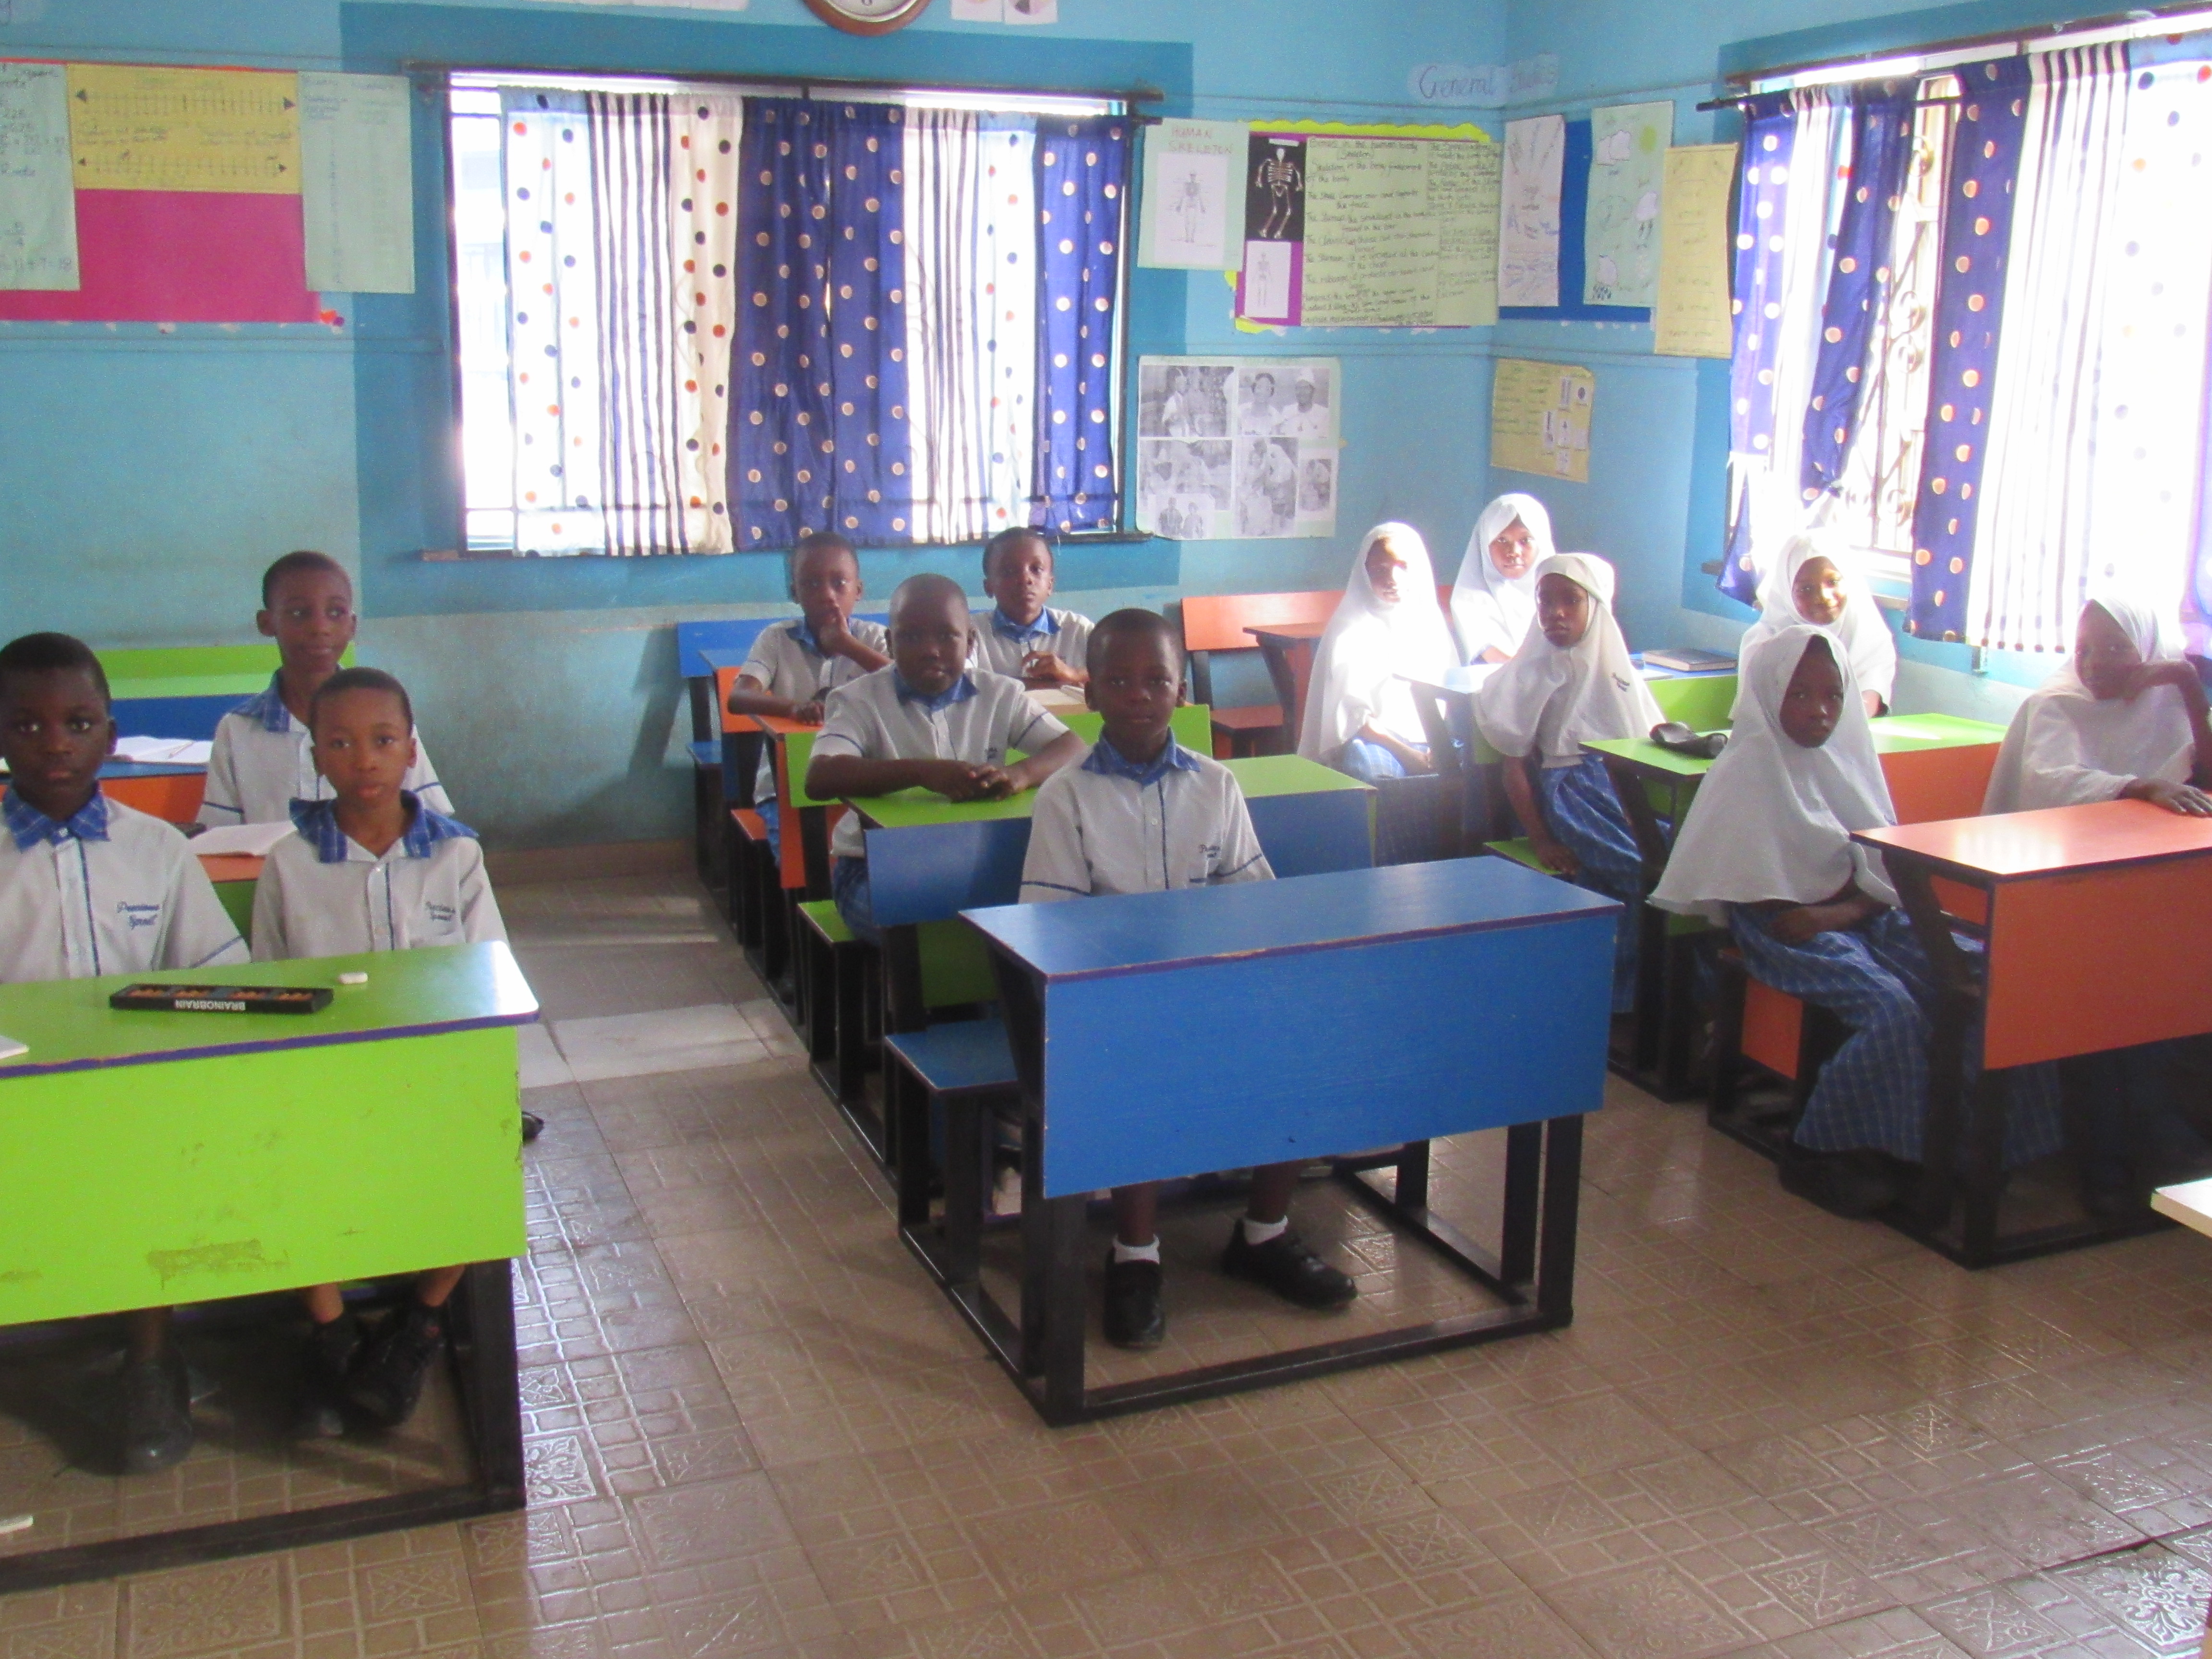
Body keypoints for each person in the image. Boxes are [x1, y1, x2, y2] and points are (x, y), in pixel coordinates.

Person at [1020, 611, 1358, 1347]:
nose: (1138, 695)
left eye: (1156, 680)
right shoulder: (1066, 797)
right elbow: (1050, 933)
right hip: (1109, 999)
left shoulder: (1216, 784)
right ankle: (1135, 1253)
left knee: (1306, 1046)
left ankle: (1263, 1233)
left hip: (1210, 987)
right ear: (1092, 693)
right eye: (1118, 680)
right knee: (1145, 1059)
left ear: (1181, 691)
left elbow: (1254, 899)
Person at [1652, 627, 2060, 1216]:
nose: (1820, 712)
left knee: (1985, 976)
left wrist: (1847, 910)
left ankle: (1978, 1144)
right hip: (1782, 926)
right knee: (1891, 1009)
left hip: (1858, 913)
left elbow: (1884, 875)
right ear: (1769, 693)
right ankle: (1824, 1148)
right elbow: (1766, 900)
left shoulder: (1848, 757)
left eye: (1832, 696)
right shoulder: (1748, 769)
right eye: (1800, 695)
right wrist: (1835, 914)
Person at [0, 632, 249, 1474]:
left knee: (143, 1161)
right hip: (16, 1103)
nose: (55, 743)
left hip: (138, 1101)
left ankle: (152, 1358)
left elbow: (219, 980)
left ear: (110, 735)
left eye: (76, 722)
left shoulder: (158, 850)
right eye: (26, 725)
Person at [249, 667, 508, 1437]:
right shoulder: (288, 866)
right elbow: (268, 988)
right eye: (340, 742)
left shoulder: (456, 857)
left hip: (432, 1071)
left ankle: (421, 1322)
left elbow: (487, 972)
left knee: (483, 1159)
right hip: (324, 1074)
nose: (363, 758)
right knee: (285, 1169)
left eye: (383, 740)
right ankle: (330, 1328)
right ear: (316, 756)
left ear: (410, 751)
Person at [806, 574, 1084, 942]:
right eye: (911, 636)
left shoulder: (999, 694)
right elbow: (820, 777)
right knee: (919, 929)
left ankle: (990, 1000)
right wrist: (922, 772)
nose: (930, 650)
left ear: (970, 642)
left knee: (1031, 926)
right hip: (872, 870)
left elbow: (1074, 747)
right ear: (890, 643)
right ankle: (920, 1001)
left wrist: (1020, 774)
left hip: (980, 863)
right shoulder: (858, 700)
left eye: (946, 636)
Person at [1475, 553, 1662, 1013]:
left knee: (1674, 859)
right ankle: (1626, 998)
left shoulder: (1616, 670)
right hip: (1570, 795)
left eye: (1571, 601)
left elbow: (1648, 737)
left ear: (1595, 607)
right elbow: (1513, 768)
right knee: (1648, 874)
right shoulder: (1531, 671)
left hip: (1619, 790)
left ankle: (1636, 994)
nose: (1556, 613)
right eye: (1546, 601)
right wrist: (1539, 839)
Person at [203, 551, 450, 827]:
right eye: (299, 614)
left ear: (352, 625)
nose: (320, 628)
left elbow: (429, 823)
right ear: (267, 623)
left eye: (336, 613)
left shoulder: (387, 719)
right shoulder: (238, 731)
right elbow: (220, 837)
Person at [1983, 592, 2212, 817]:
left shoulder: (2166, 697)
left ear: (2147, 649)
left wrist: (2189, 684)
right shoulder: (2056, 703)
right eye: (2084, 650)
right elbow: (2051, 783)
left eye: (2116, 649)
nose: (2095, 664)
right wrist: (2143, 788)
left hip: (2150, 839)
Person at [727, 530, 890, 830]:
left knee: (873, 852)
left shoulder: (873, 638)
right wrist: (793, 709)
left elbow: (906, 686)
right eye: (812, 583)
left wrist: (848, 646)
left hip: (862, 782)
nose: (828, 594)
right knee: (799, 857)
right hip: (785, 784)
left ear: (858, 590)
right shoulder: (777, 639)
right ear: (795, 592)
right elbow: (738, 698)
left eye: (839, 583)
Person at [1296, 524, 1458, 787]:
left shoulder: (1430, 623)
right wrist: (1408, 754)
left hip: (1432, 737)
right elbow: (1354, 719)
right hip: (1376, 739)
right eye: (1379, 570)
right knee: (1376, 775)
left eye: (1402, 566)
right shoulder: (1350, 629)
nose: (1392, 578)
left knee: (1477, 771)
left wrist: (1436, 747)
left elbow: (1450, 698)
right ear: (1364, 573)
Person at [1737, 531, 1896, 717]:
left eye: (1833, 581)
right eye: (1806, 589)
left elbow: (1866, 708)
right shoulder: (1763, 644)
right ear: (1787, 592)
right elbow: (1757, 719)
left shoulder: (1870, 637)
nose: (1823, 597)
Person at [969, 528, 1094, 689]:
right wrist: (1053, 686)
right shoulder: (971, 632)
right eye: (1009, 571)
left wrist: (1073, 674)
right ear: (989, 587)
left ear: (1050, 584)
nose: (1025, 579)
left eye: (1036, 569)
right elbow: (963, 682)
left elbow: (1120, 671)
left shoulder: (1077, 629)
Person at [1449, 493, 1553, 668]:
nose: (1514, 551)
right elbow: (1503, 664)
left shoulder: (1557, 598)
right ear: (1484, 543)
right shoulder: (1469, 604)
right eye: (1502, 540)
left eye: (1525, 540)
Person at [1283, 369, 1330, 442]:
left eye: (1306, 388)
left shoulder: (1324, 414)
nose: (1302, 392)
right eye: (1298, 388)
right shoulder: (1287, 411)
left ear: (1313, 390)